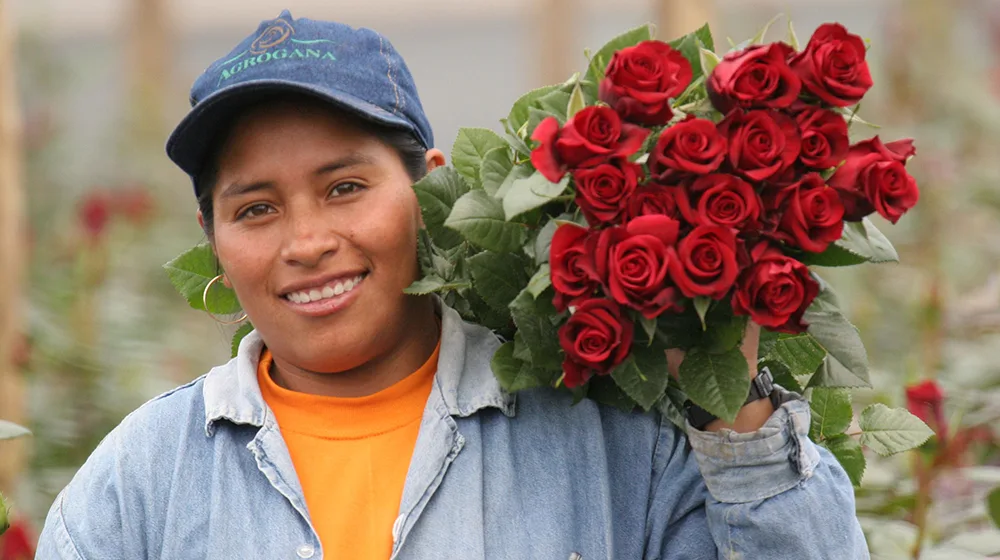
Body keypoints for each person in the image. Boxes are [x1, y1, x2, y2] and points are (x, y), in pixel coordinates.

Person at [35, 11, 869, 560]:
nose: (309, 242)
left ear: (432, 190)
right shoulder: (144, 481)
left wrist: (736, 413)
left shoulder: (611, 440)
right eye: (255, 208)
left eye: (345, 187)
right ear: (213, 241)